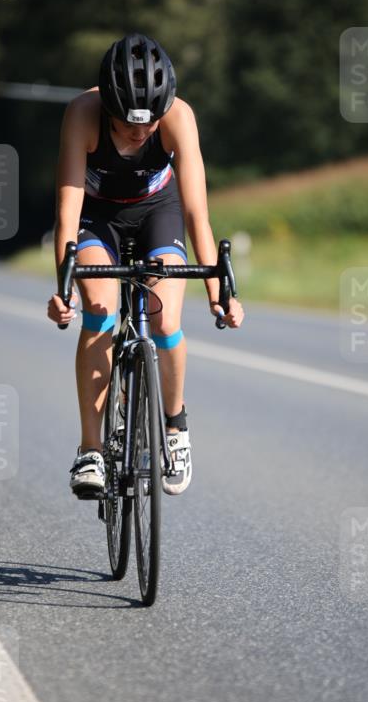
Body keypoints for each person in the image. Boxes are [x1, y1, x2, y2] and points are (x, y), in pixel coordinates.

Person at [47, 33, 244, 498]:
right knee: (99, 309)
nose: (140, 133)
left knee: (165, 318)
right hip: (99, 216)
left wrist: (219, 294)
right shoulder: (82, 113)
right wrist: (65, 289)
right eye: (128, 124)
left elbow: (197, 211)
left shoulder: (178, 117)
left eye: (149, 123)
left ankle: (174, 426)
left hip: (160, 211)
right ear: (107, 108)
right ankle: (91, 449)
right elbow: (68, 213)